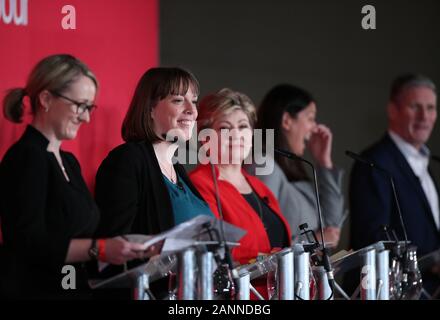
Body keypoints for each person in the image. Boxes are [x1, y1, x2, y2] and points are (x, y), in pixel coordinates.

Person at [0, 54, 145, 299]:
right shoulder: (25, 157)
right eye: (80, 105)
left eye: (89, 107)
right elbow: (26, 244)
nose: (86, 117)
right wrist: (100, 249)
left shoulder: (69, 162)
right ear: (46, 99)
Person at [94, 68, 213, 297]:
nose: (191, 111)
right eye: (178, 100)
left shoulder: (178, 168)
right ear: (149, 108)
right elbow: (112, 246)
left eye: (194, 101)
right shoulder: (127, 160)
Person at [189, 88, 291, 298]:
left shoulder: (259, 187)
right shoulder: (200, 184)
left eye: (243, 126)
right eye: (225, 128)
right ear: (205, 138)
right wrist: (271, 261)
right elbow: (215, 255)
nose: (236, 135)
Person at [349, 73, 440, 295]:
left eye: (430, 108)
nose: (424, 116)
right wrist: (433, 264)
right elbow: (373, 240)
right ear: (392, 110)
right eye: (415, 107)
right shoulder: (375, 163)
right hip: (392, 291)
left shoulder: (424, 162)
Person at [248, 84, 344, 247]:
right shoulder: (263, 164)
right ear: (286, 121)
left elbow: (332, 226)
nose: (315, 127)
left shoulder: (292, 168)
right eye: (310, 118)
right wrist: (314, 241)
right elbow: (262, 237)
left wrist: (324, 161)